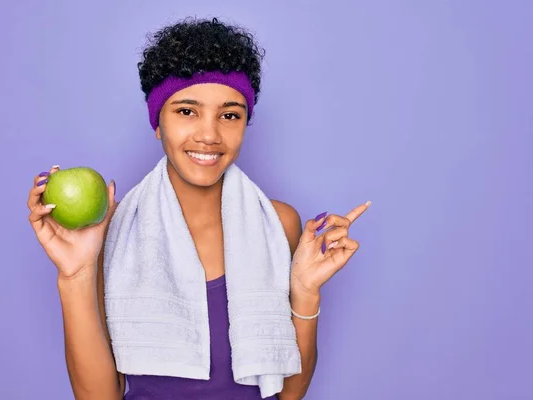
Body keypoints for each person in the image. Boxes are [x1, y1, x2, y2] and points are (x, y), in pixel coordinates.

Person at [27, 17, 370, 400]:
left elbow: (288, 394)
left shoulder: (279, 223)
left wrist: (306, 290)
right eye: (187, 111)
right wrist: (75, 274)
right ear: (157, 123)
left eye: (230, 115)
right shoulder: (111, 230)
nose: (209, 135)